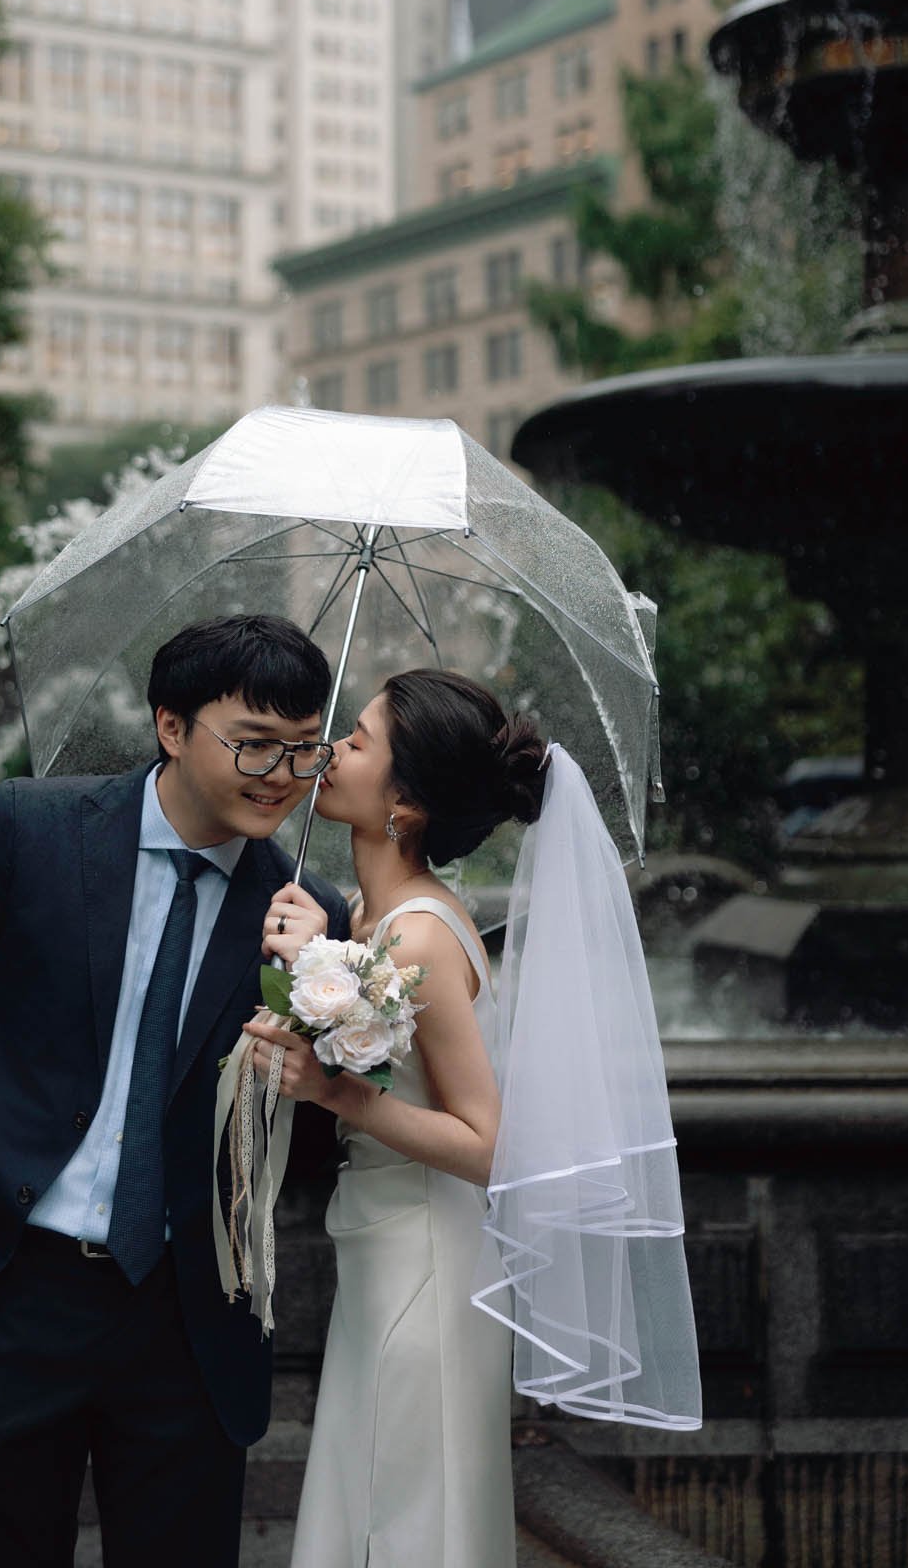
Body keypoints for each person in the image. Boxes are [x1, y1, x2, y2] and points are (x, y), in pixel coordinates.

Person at [0, 614, 350, 1568]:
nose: (279, 776)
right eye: (251, 744)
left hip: (186, 1312)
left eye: (303, 751)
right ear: (171, 728)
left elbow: (314, 1111)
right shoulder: (28, 829)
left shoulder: (310, 913)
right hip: (6, 1284)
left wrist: (320, 990)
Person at [244, 669, 551, 1568]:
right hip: (381, 1247)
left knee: (408, 1504)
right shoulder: (372, 918)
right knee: (373, 1487)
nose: (331, 749)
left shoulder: (417, 935)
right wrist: (324, 952)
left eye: (360, 740)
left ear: (405, 804)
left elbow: (490, 1146)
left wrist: (339, 1093)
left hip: (427, 1255)